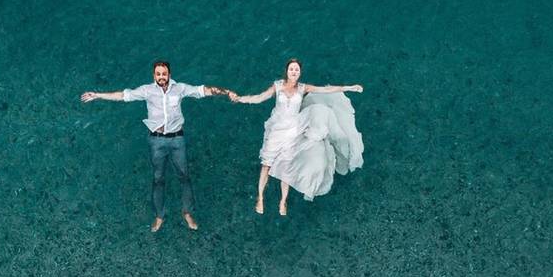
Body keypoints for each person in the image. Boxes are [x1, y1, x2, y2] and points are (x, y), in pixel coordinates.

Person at [81, 60, 233, 232]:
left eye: (164, 73)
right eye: (158, 74)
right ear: (154, 75)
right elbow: (124, 95)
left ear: (169, 74)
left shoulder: (180, 88)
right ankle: (159, 215)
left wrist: (225, 92)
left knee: (184, 176)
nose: (161, 77)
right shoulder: (147, 90)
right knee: (158, 179)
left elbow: (203, 90)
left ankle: (187, 212)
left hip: (177, 139)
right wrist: (98, 95)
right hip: (156, 141)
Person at [229, 58, 364, 216]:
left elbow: (325, 90)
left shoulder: (303, 88)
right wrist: (240, 99)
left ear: (299, 73)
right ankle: (260, 198)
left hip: (293, 128)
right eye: (291, 69)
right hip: (277, 129)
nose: (294, 72)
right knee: (266, 164)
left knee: (287, 164)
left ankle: (283, 201)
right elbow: (260, 97)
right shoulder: (278, 86)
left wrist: (350, 87)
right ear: (287, 71)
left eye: (297, 70)